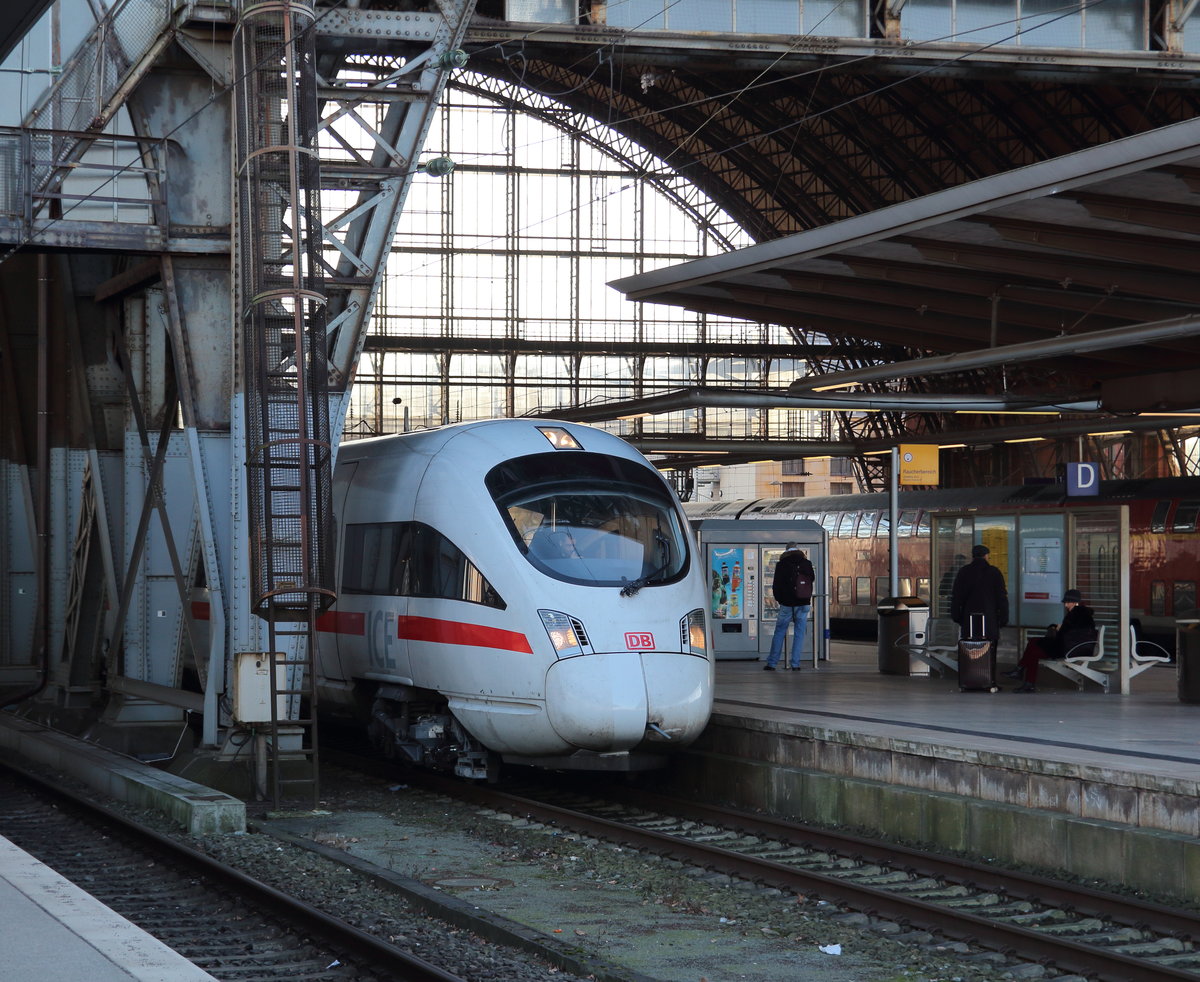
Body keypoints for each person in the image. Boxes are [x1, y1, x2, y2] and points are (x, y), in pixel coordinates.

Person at [1004, 589, 1096, 693]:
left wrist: (1058, 629)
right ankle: (1023, 676)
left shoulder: (1076, 614)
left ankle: (1022, 674)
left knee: (1033, 650)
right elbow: (1073, 632)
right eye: (1065, 602)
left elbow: (1067, 633)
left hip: (1071, 648)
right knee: (1034, 643)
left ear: (1075, 602)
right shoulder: (1081, 613)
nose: (1066, 605)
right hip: (1071, 645)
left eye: (1068, 602)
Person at [765, 543, 815, 671]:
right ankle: (795, 664)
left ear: (787, 550)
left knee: (780, 631)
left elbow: (776, 584)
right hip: (803, 602)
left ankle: (772, 663)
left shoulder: (782, 564)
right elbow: (811, 580)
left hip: (787, 603)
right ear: (798, 550)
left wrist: (779, 599)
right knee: (799, 633)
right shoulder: (806, 563)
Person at [950, 543, 1009, 651]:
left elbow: (956, 596)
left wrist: (957, 617)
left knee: (970, 651)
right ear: (986, 556)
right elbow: (1002, 597)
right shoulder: (994, 572)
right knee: (989, 651)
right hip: (990, 620)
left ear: (973, 556)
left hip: (969, 620)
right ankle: (990, 667)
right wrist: (1003, 619)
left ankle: (969, 667)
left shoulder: (964, 571)